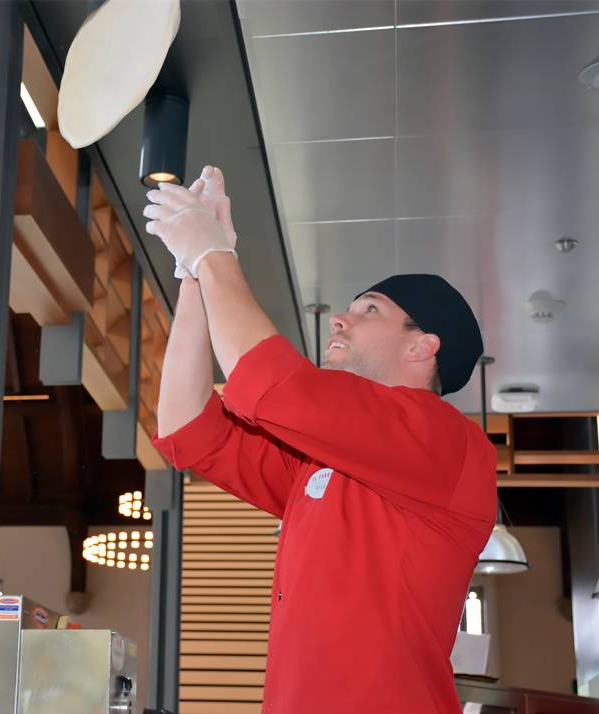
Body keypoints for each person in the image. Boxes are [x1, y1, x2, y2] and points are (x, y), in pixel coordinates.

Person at [144, 167, 497, 713]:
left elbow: (270, 382)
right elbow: (188, 429)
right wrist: (194, 276)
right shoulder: (322, 458)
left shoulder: (449, 442)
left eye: (370, 309)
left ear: (422, 347)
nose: (339, 319)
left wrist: (217, 257)